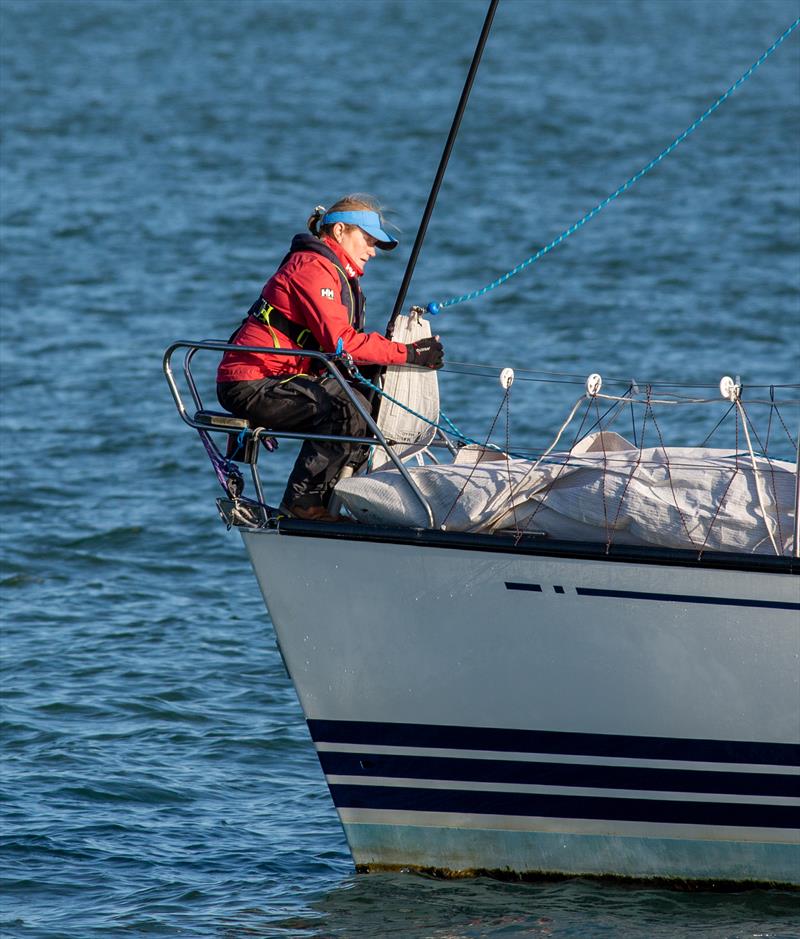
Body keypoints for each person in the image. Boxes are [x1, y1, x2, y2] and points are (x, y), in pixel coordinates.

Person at [217, 194, 444, 522]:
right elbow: (341, 343)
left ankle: (339, 498)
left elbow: (340, 349)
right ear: (339, 231)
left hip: (280, 378)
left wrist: (390, 355)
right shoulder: (314, 268)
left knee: (366, 394)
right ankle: (303, 506)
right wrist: (408, 353)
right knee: (345, 405)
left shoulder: (335, 271)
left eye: (375, 245)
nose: (372, 251)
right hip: (251, 382)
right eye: (367, 240)